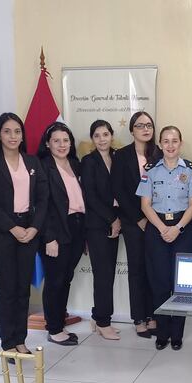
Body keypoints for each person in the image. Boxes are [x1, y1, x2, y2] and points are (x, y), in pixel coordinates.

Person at [0, 112, 48, 357]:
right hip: (2, 234)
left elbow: (43, 197)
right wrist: (12, 227)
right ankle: (8, 342)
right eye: (7, 131)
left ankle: (21, 339)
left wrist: (34, 228)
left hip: (29, 231)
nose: (12, 136)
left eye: (17, 131)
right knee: (7, 289)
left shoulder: (32, 162)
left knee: (23, 290)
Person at [137, 126, 192, 351]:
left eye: (175, 141)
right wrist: (163, 227)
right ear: (161, 144)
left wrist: (178, 228)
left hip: (183, 229)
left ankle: (177, 334)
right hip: (157, 228)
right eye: (166, 141)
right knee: (160, 282)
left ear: (180, 143)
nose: (170, 145)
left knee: (181, 285)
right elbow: (145, 204)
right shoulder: (150, 170)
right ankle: (162, 333)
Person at [111, 111, 161, 338]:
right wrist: (138, 218)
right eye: (140, 125)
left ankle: (153, 315)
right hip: (133, 222)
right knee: (137, 270)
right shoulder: (121, 155)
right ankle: (139, 317)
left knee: (154, 269)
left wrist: (153, 219)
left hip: (157, 221)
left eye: (149, 125)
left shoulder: (159, 153)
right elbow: (119, 190)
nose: (145, 129)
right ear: (132, 130)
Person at [38, 122, 85, 346]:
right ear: (47, 143)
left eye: (66, 140)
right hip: (56, 229)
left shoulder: (75, 164)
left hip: (77, 227)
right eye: (56, 141)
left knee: (66, 277)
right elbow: (41, 205)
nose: (62, 144)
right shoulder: (43, 166)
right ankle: (54, 328)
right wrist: (49, 237)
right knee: (55, 280)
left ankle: (60, 322)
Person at [81, 120, 122, 340]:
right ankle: (103, 321)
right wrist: (112, 219)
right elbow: (90, 196)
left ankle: (98, 317)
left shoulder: (119, 157)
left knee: (108, 273)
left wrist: (118, 219)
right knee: (103, 274)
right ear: (92, 138)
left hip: (115, 222)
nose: (102, 139)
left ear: (111, 135)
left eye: (105, 134)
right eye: (97, 135)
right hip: (97, 225)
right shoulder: (88, 162)